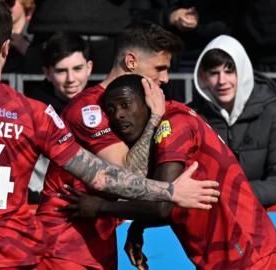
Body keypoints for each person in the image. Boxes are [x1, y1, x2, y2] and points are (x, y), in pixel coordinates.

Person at [0, 1, 219, 269]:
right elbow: (102, 174)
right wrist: (169, 190)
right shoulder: (34, 112)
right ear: (6, 48)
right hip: (14, 257)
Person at [60, 74, 276, 270]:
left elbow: (161, 205)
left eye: (126, 105)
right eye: (112, 109)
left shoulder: (172, 127)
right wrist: (140, 225)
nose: (118, 115)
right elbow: (177, 199)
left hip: (250, 255)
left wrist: (99, 207)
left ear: (148, 102)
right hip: (230, 257)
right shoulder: (172, 122)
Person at [35, 21, 201, 270]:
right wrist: (155, 118)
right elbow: (129, 173)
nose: (165, 78)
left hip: (96, 240)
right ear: (131, 61)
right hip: (64, 243)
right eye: (159, 68)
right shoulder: (89, 109)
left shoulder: (132, 109)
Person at [188, 35, 276, 207]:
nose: (222, 81)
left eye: (229, 71)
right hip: (208, 217)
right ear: (202, 76)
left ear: (243, 71)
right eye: (214, 73)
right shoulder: (191, 116)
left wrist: (235, 195)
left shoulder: (272, 112)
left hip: (259, 216)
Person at [25, 32, 93, 203]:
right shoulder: (31, 109)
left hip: (92, 201)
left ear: (89, 68)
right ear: (47, 73)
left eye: (77, 69)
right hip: (41, 200)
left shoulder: (105, 104)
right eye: (61, 71)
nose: (71, 79)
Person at [1, 0, 34, 74]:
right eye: (1, 4)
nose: (5, 7)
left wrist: (25, 48)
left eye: (10, 3)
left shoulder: (34, 32)